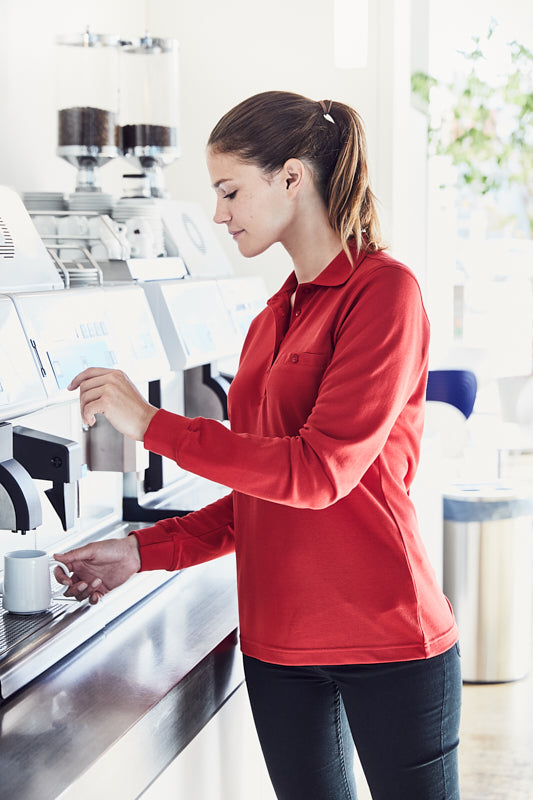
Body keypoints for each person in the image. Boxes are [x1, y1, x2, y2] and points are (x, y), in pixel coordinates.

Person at [54, 90, 462, 800]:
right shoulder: (272, 317)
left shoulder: (383, 293)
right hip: (278, 648)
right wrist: (141, 553)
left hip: (386, 638)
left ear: (292, 177)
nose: (219, 215)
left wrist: (151, 424)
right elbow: (259, 497)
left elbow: (317, 474)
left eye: (230, 190)